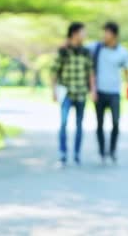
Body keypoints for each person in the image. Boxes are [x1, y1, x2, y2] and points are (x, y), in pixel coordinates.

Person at [51, 22, 97, 165]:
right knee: (63, 123)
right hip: (66, 93)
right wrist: (53, 91)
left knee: (79, 124)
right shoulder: (63, 51)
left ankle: (77, 154)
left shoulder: (86, 52)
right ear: (75, 33)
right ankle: (63, 153)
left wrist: (93, 90)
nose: (84, 35)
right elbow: (54, 72)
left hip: (81, 93)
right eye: (82, 32)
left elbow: (91, 73)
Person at [89, 22, 128, 164]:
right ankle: (102, 152)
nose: (104, 36)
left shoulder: (123, 52)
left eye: (107, 33)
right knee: (99, 124)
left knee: (115, 122)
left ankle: (112, 150)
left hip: (114, 92)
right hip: (99, 92)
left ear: (114, 35)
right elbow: (79, 46)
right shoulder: (96, 48)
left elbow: (126, 70)